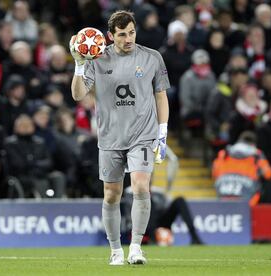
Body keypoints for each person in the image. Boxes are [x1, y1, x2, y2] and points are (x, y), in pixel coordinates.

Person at [69, 11, 169, 265]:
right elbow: (78, 95)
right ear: (111, 36)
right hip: (110, 137)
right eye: (122, 34)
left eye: (131, 32)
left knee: (140, 187)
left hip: (142, 136)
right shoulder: (97, 58)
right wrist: (79, 65)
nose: (128, 38)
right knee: (112, 195)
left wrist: (162, 131)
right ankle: (115, 251)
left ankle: (136, 247)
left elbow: (160, 96)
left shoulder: (152, 58)